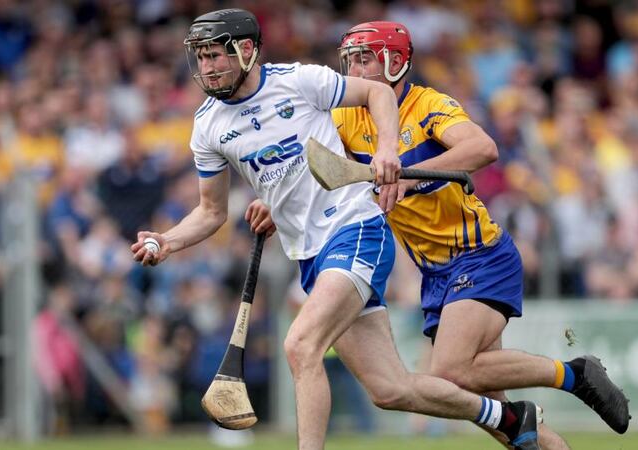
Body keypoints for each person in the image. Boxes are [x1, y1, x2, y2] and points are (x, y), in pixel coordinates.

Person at [131, 9, 542, 450]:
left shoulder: (297, 80)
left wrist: (388, 152)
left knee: (300, 344)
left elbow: (378, 96)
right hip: (310, 257)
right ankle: (508, 417)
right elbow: (210, 212)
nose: (207, 67)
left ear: (246, 51)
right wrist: (167, 240)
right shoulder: (208, 125)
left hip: (354, 229)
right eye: (201, 58)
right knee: (391, 389)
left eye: (216, 55)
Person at [247, 21, 630, 449]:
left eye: (365, 58)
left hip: (479, 256)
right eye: (350, 59)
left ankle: (575, 373)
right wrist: (277, 203)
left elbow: (482, 148)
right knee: (508, 427)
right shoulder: (344, 117)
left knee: (450, 372)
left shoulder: (427, 104)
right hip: (434, 274)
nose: (354, 69)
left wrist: (410, 179)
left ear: (395, 61)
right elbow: (319, 171)